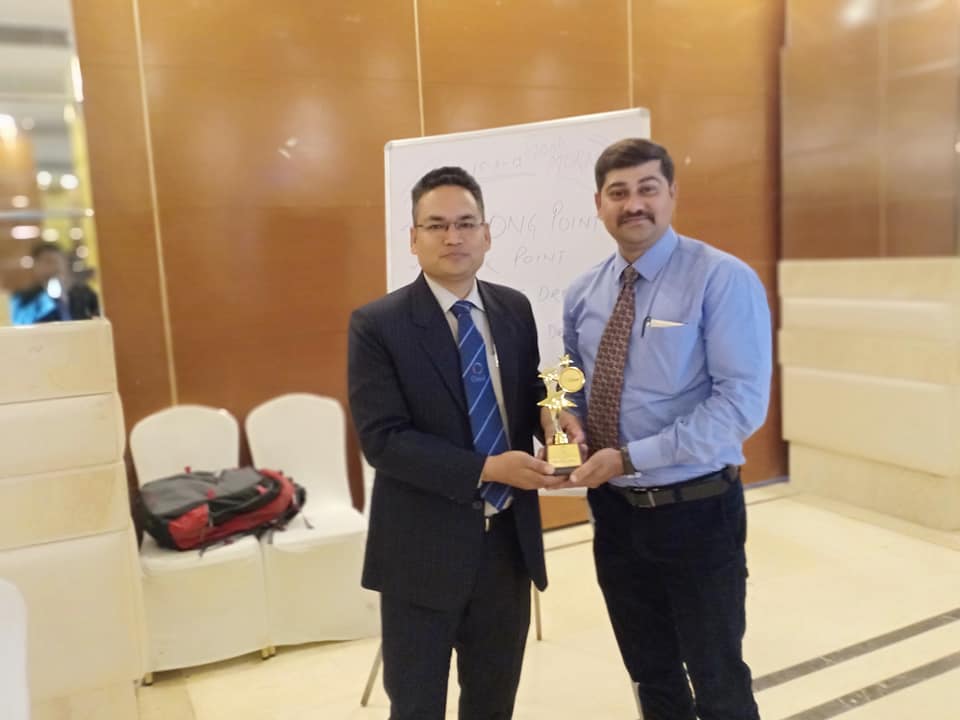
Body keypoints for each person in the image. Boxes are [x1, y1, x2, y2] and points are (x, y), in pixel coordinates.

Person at [348, 166, 573, 720]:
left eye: (466, 223)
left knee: (493, 704)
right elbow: (384, 441)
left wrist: (552, 417)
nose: (454, 237)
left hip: (506, 550)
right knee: (417, 707)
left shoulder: (514, 308)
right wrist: (489, 469)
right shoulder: (377, 324)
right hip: (421, 553)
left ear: (486, 234)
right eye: (437, 225)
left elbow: (527, 391)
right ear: (414, 238)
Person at [559, 138, 771, 720]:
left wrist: (631, 457)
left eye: (647, 189)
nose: (634, 204)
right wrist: (565, 412)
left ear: (672, 194)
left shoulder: (721, 279)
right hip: (614, 515)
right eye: (618, 192)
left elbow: (740, 405)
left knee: (717, 677)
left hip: (695, 511)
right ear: (599, 204)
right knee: (650, 674)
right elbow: (573, 378)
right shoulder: (583, 292)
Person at [10, 243, 70, 325]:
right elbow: (20, 322)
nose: (56, 266)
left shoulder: (79, 293)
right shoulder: (23, 296)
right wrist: (47, 298)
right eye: (49, 261)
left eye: (59, 261)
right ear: (36, 265)